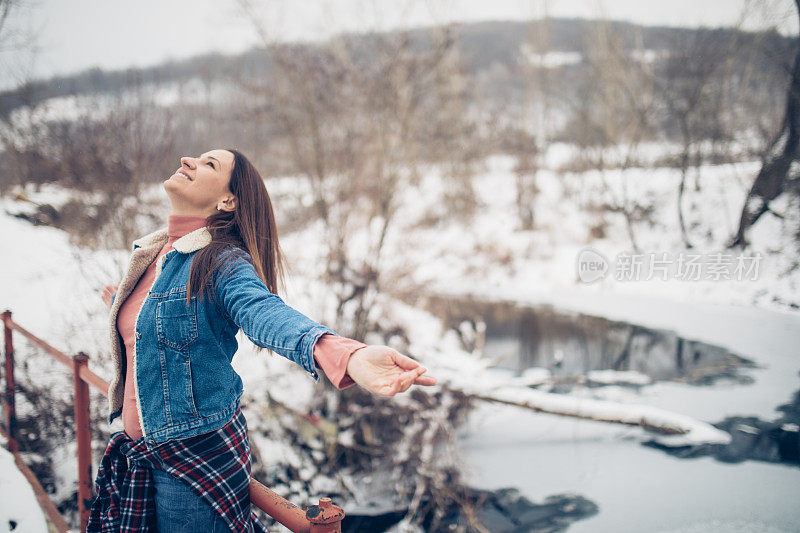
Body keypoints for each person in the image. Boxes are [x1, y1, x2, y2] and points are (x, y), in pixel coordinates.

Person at [88, 149, 436, 532]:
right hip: (142, 453)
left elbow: (265, 313)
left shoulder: (221, 261)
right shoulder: (150, 256)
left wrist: (346, 355)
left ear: (228, 200)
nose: (188, 160)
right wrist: (123, 307)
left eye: (210, 165)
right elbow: (154, 327)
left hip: (192, 462)